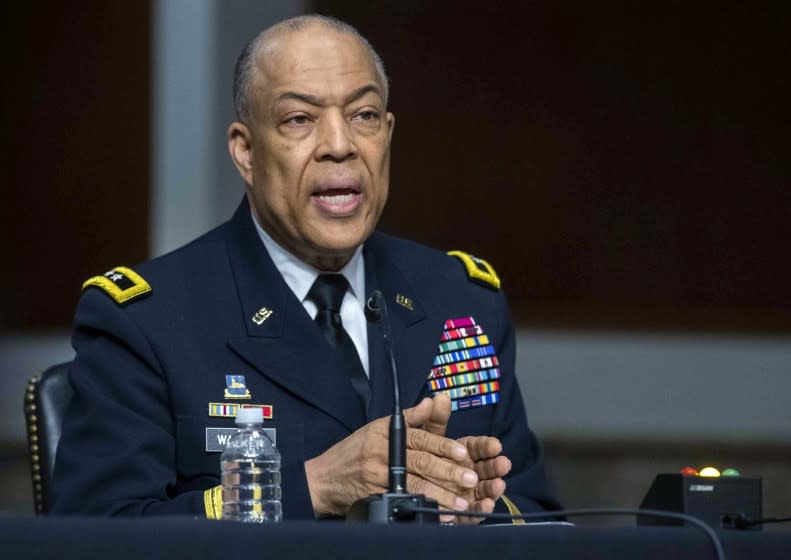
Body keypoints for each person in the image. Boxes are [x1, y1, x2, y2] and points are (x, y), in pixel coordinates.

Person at [51, 14, 558, 523]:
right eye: (300, 119)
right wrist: (312, 487)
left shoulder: (461, 299)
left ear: (387, 133)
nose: (339, 144)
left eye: (362, 115)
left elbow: (542, 517)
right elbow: (96, 532)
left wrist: (477, 511)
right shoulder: (148, 320)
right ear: (245, 151)